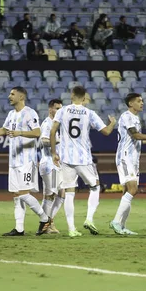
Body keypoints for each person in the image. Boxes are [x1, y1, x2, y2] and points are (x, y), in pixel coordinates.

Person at [0, 87, 52, 236]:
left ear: (21, 97)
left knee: (23, 194)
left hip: (26, 161)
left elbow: (37, 132)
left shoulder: (30, 112)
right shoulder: (11, 114)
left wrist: (19, 132)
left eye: (12, 94)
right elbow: (3, 130)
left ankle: (45, 218)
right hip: (14, 160)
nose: (9, 96)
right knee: (16, 196)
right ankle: (19, 229)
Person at [49, 85, 117, 237]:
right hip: (84, 158)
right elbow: (106, 132)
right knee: (95, 187)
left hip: (66, 158)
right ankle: (89, 219)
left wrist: (54, 153)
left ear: (72, 96)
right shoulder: (89, 113)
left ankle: (72, 229)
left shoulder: (62, 111)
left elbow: (52, 131)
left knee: (69, 192)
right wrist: (112, 123)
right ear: (84, 97)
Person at [109, 93, 146, 235]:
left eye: (142, 101)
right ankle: (116, 222)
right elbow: (135, 135)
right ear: (131, 103)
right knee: (133, 189)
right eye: (138, 101)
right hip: (125, 158)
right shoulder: (126, 116)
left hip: (133, 159)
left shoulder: (135, 118)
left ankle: (122, 227)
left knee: (127, 192)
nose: (142, 103)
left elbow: (136, 140)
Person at [39, 99, 65, 233]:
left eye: (61, 108)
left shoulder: (56, 124)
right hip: (49, 164)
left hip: (54, 165)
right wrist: (58, 140)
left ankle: (48, 222)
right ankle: (46, 223)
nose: (59, 111)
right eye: (57, 108)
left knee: (61, 194)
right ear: (50, 109)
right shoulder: (48, 124)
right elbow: (43, 140)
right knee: (51, 195)